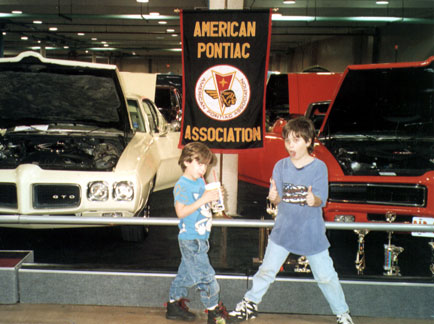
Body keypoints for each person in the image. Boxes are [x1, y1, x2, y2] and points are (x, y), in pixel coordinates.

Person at [229, 117, 355, 324]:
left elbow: (321, 199)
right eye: (287, 141)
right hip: (283, 231)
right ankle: (249, 304)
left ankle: (342, 314)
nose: (290, 145)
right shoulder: (280, 166)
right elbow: (277, 199)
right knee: (266, 270)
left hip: (311, 233)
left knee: (326, 277)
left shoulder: (319, 167)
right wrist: (273, 197)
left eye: (296, 140)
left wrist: (313, 200)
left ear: (308, 141)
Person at [166, 142, 234, 324]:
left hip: (201, 237)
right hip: (191, 239)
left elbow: (203, 208)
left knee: (186, 274)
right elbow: (180, 212)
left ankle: (173, 304)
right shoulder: (182, 185)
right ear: (187, 161)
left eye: (206, 164)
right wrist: (204, 198)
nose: (203, 168)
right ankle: (214, 312)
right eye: (200, 163)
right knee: (206, 276)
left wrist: (214, 201)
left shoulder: (200, 182)